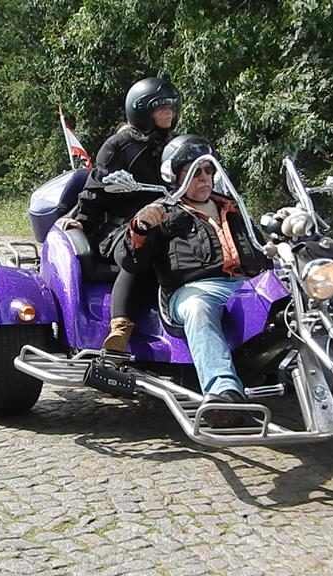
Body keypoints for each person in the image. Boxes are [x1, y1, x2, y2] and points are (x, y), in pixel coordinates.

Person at [117, 135, 274, 426]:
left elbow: (262, 250)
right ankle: (223, 394)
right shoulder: (163, 212)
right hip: (193, 290)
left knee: (301, 296)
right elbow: (130, 262)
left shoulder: (233, 208)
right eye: (193, 171)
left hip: (246, 285)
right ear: (174, 177)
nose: (203, 178)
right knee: (198, 307)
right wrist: (140, 229)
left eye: (208, 170)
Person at [57, 77, 181, 351]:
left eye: (171, 107)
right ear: (141, 110)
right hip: (118, 230)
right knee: (145, 243)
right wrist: (82, 221)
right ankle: (120, 328)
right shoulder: (119, 145)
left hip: (168, 221)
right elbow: (96, 188)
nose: (168, 113)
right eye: (161, 107)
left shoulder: (175, 145)